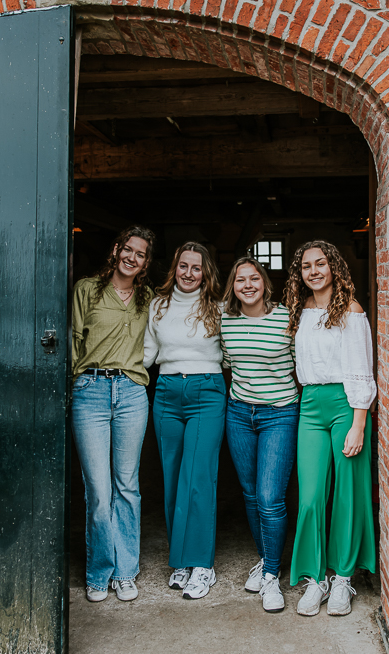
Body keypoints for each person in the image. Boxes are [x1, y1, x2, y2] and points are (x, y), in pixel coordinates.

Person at [283, 240, 377, 617]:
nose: (314, 271)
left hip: (346, 405)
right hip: (310, 405)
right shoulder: (300, 310)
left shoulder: (351, 311)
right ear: (300, 274)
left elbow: (361, 369)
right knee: (309, 497)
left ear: (334, 267)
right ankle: (314, 578)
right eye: (307, 266)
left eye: (320, 263)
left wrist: (359, 423)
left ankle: (341, 578)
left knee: (348, 494)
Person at [70, 225, 155, 603]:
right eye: (128, 249)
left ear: (146, 262)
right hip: (90, 390)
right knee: (99, 491)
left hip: (133, 392)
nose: (132, 258)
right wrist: (75, 383)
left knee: (127, 486)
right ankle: (99, 571)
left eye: (141, 254)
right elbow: (74, 340)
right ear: (116, 250)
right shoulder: (87, 289)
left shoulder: (148, 297)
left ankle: (125, 572)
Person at [143, 241, 226, 600]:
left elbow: (233, 354)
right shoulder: (157, 305)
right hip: (166, 392)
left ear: (205, 273)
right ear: (174, 268)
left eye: (196, 268)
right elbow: (147, 354)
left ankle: (202, 565)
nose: (189, 274)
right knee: (173, 475)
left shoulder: (218, 308)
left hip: (207, 392)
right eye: (183, 266)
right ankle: (180, 559)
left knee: (198, 477)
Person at [221, 257, 299, 613]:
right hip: (239, 412)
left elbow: (304, 364)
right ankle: (266, 559)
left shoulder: (286, 319)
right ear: (233, 286)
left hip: (280, 413)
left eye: (254, 278)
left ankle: (271, 575)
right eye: (240, 280)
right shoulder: (226, 320)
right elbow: (225, 363)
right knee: (251, 494)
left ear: (266, 284)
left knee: (270, 497)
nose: (248, 285)